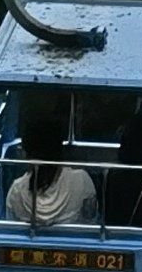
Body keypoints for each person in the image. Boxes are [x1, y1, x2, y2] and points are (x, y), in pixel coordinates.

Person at [7, 95, 98, 228]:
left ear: (27, 152)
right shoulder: (81, 181)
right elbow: (91, 221)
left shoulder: (16, 190)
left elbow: (11, 228)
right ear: (59, 148)